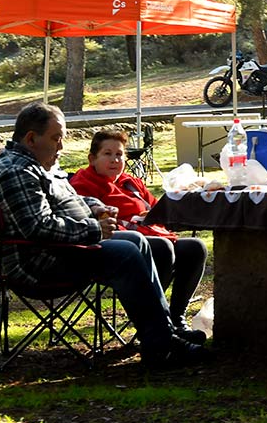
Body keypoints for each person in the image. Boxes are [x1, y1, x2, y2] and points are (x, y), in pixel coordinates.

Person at [0, 102, 207, 369]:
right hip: (37, 263)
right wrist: (94, 229)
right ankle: (162, 345)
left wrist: (94, 206)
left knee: (140, 242)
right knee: (126, 252)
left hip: (60, 249)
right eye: (56, 138)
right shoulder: (16, 171)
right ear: (31, 138)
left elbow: (68, 198)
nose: (61, 146)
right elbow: (38, 227)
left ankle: (162, 335)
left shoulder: (39, 164)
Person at [70, 129, 208, 344]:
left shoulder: (131, 182)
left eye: (120, 154)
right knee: (162, 247)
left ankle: (176, 318)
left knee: (195, 247)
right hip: (116, 247)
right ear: (92, 158)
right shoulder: (83, 184)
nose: (115, 160)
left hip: (152, 235)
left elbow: (157, 211)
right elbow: (99, 224)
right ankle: (158, 324)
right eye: (107, 154)